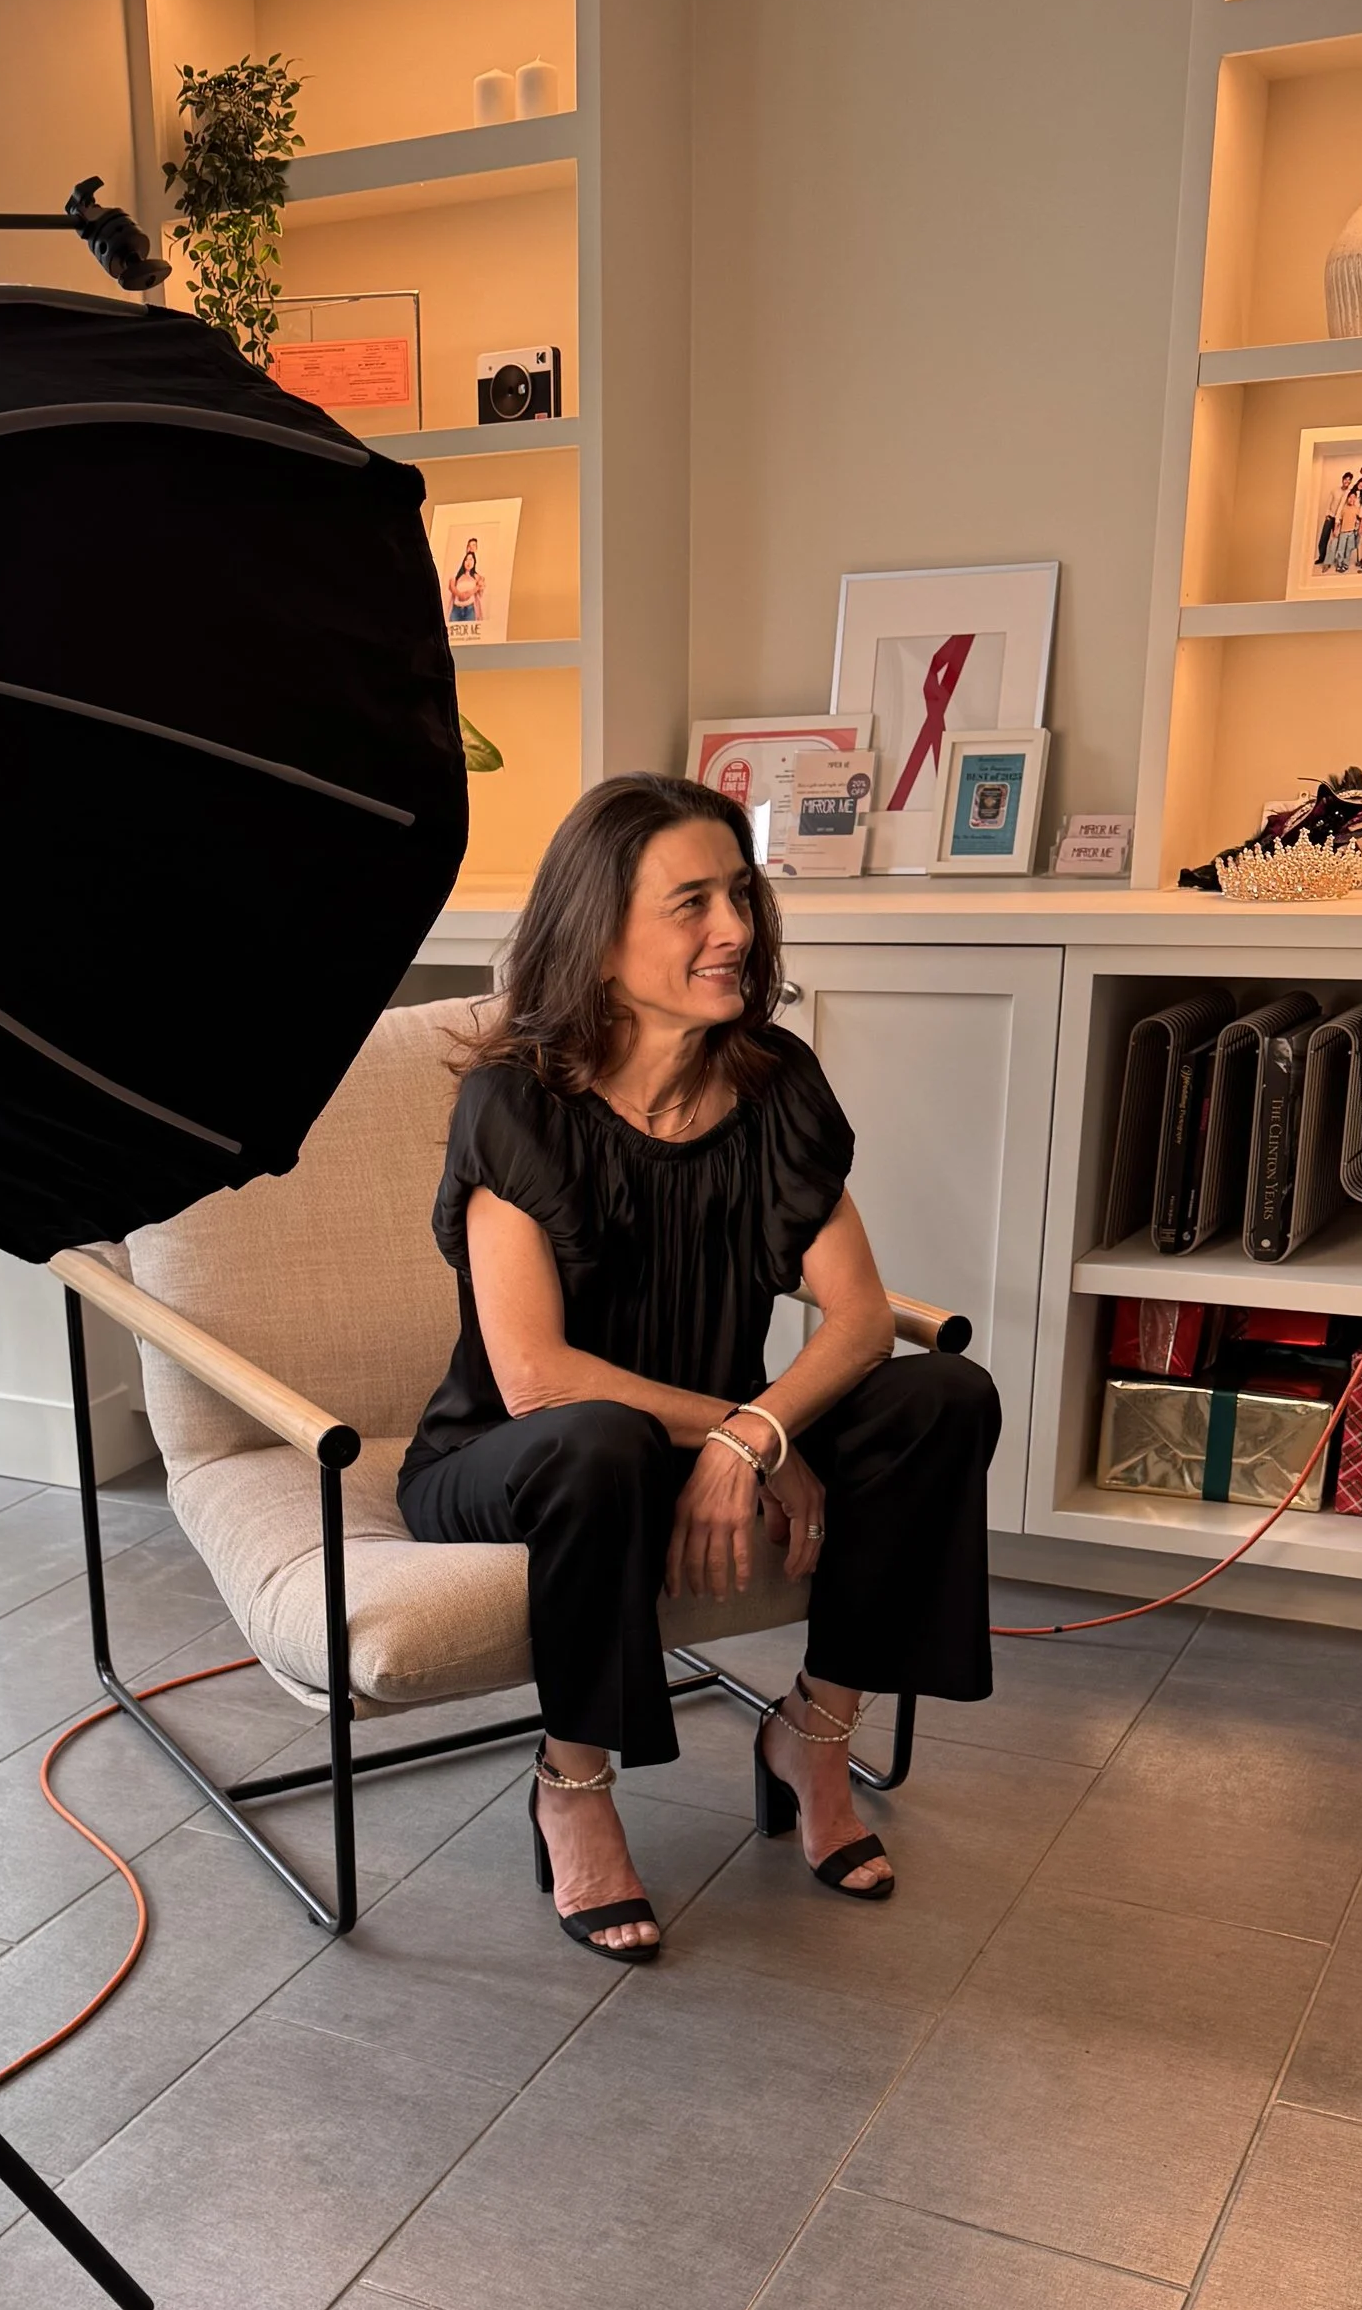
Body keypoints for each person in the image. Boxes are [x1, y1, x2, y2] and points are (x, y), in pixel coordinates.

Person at [397, 771, 1001, 1959]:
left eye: (740, 895)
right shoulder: (512, 1107)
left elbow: (859, 1321)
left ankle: (812, 1737)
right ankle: (571, 1784)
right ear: (597, 932)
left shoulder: (775, 1085)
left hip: (704, 1444)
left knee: (942, 1393)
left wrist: (755, 1435)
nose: (733, 929)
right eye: (690, 904)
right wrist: (742, 1428)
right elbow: (536, 1379)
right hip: (514, 1460)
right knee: (596, 1438)